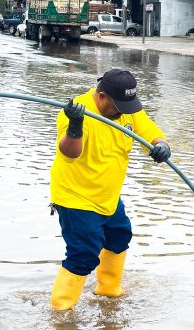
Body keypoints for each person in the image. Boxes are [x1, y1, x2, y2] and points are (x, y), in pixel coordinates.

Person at [50, 69, 171, 311]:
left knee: (119, 237)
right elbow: (70, 153)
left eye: (127, 106)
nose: (123, 112)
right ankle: (61, 312)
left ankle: (109, 291)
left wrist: (161, 144)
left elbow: (148, 129)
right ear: (102, 96)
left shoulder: (127, 110)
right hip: (77, 198)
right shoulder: (77, 111)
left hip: (109, 197)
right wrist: (75, 126)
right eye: (118, 106)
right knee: (83, 253)